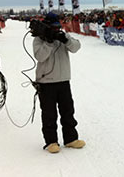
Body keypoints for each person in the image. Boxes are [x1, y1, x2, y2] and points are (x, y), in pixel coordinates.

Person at [33, 12, 85, 153]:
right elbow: (40, 56)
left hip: (63, 80)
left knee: (68, 111)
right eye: (54, 27)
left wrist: (65, 39)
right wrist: (49, 42)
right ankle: (51, 141)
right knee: (49, 114)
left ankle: (70, 139)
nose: (56, 30)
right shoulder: (39, 39)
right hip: (46, 82)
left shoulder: (63, 35)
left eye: (58, 27)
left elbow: (76, 47)